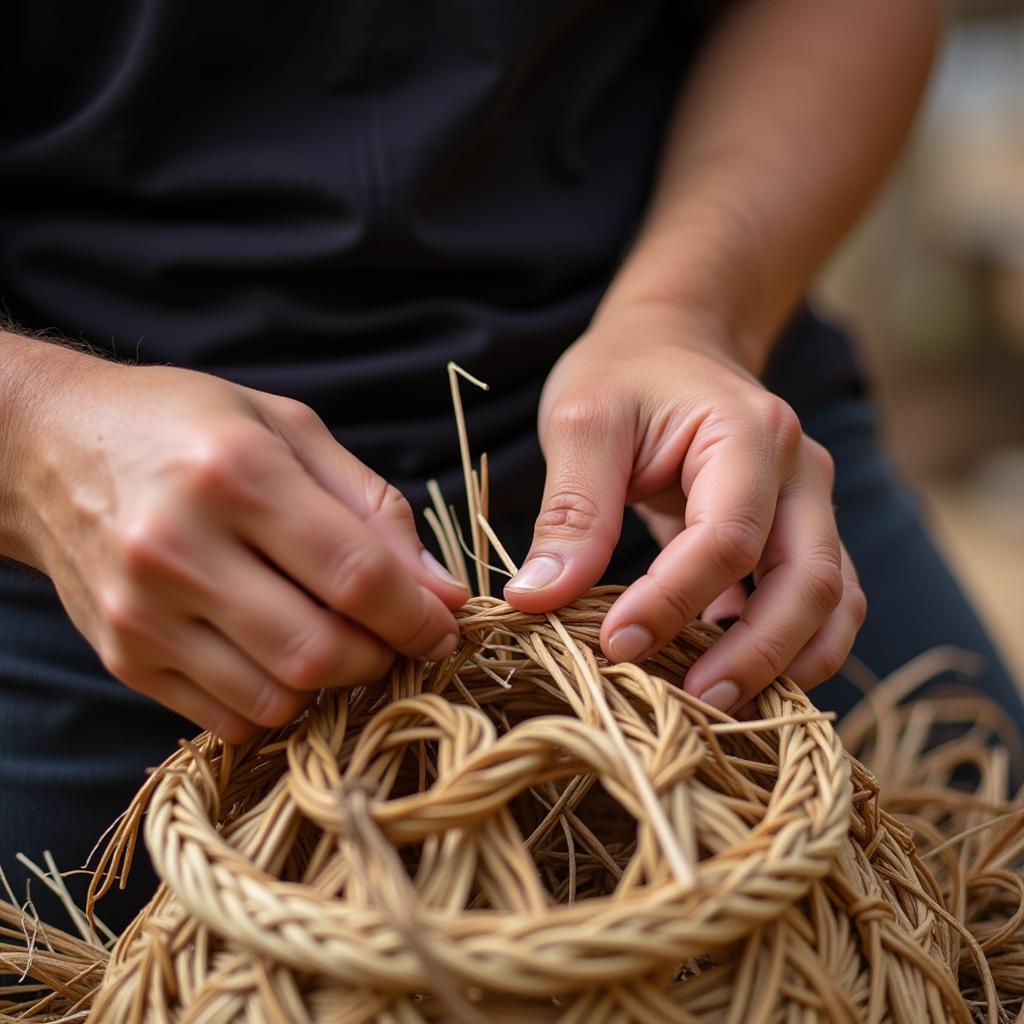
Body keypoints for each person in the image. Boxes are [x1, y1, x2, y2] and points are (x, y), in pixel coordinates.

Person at [1, 0, 1019, 927]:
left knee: (969, 906)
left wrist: (696, 311)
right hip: (102, 535)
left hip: (694, 462)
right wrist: (35, 439)